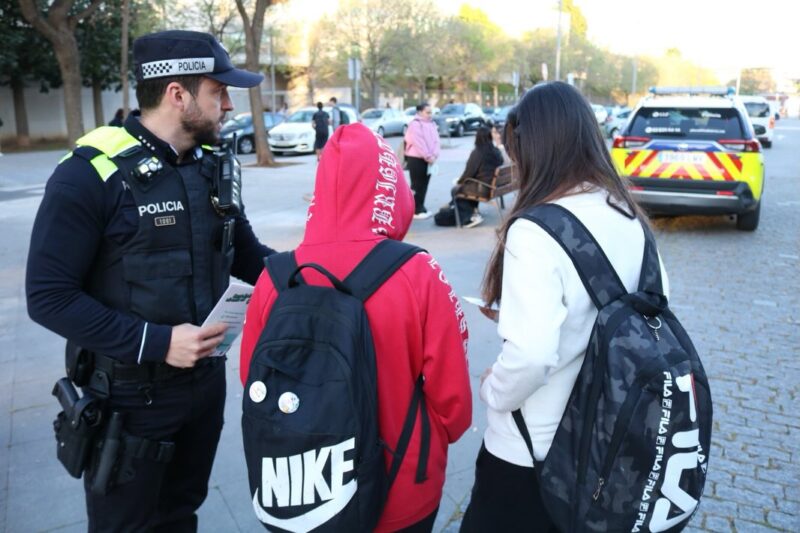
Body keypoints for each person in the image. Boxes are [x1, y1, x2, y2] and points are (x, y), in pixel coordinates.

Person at [25, 30, 277, 532]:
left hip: (203, 388)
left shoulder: (212, 167)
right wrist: (157, 342)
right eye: (218, 92)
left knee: (182, 516)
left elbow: (249, 258)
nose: (228, 105)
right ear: (177, 94)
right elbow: (47, 296)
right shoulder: (88, 174)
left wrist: (329, 272)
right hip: (127, 404)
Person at [240, 123, 472, 532]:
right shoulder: (417, 272)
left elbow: (251, 378)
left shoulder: (274, 278)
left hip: (309, 489)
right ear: (388, 188)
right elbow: (452, 399)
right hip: (403, 484)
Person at [459, 81, 669, 531]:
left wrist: (493, 389)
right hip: (610, 444)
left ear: (533, 149)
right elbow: (648, 311)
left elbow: (532, 356)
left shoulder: (534, 230)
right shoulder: (630, 217)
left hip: (532, 452)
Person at [443, 125, 504, 228]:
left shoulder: (478, 152)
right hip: (493, 186)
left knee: (455, 190)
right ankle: (470, 212)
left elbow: (469, 172)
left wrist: (460, 181)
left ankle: (467, 219)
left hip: (483, 188)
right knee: (464, 188)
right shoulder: (496, 151)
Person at [404, 103, 440, 219]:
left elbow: (436, 141)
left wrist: (434, 155)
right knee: (417, 185)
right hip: (416, 159)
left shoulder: (432, 124)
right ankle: (415, 210)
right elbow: (418, 143)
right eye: (427, 112)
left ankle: (421, 207)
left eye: (431, 112)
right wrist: (428, 156)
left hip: (429, 159)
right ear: (419, 112)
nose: (430, 115)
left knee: (424, 184)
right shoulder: (415, 124)